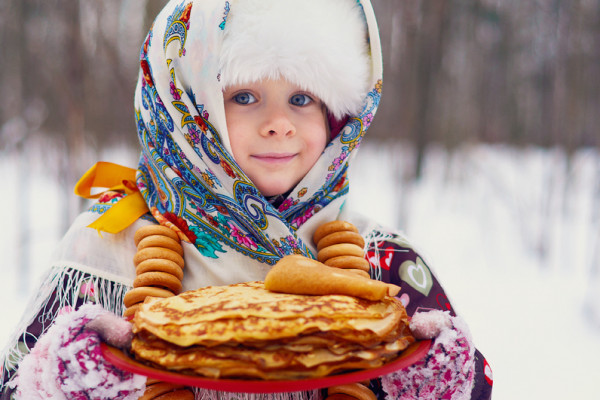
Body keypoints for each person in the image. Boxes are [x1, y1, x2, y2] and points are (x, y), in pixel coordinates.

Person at [0, 0, 493, 399]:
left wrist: (433, 382)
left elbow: (473, 387)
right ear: (186, 108)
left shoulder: (378, 258)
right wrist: (67, 380)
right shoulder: (108, 244)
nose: (279, 122)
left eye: (302, 99)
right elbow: (18, 386)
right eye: (244, 97)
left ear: (338, 118)